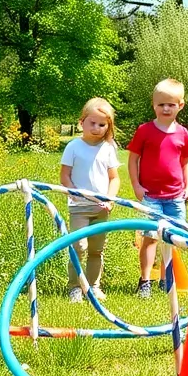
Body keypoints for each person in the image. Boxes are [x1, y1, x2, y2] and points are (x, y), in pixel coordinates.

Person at [126, 78, 188, 298]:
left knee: (172, 238)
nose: (166, 108)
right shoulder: (145, 130)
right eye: (161, 104)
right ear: (153, 104)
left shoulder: (182, 133)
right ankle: (145, 280)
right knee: (150, 237)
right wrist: (136, 185)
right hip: (151, 196)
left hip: (175, 196)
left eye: (171, 104)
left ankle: (167, 278)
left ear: (180, 105)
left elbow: (186, 162)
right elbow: (133, 159)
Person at [59, 98, 121, 302]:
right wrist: (74, 192)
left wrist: (110, 200)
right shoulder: (73, 147)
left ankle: (93, 286)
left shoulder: (108, 149)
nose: (96, 128)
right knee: (79, 246)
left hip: (101, 208)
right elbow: (65, 176)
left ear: (108, 126)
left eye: (102, 124)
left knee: (96, 249)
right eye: (92, 123)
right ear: (81, 122)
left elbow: (114, 178)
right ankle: (75, 286)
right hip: (79, 207)